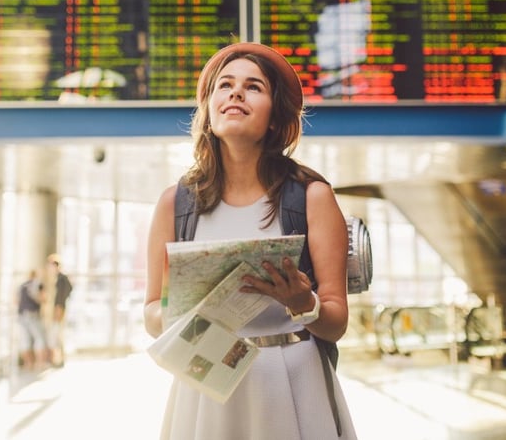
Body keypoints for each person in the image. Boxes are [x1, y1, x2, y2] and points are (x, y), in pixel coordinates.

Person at [144, 42, 358, 439]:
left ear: (275, 120)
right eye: (224, 85)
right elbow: (153, 313)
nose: (236, 93)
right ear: (209, 112)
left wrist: (304, 304)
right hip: (207, 382)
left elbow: (336, 322)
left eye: (253, 87)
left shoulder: (311, 197)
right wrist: (181, 314)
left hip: (293, 381)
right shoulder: (176, 203)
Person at [46, 253, 73, 367]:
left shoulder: (62, 278)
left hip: (59, 310)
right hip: (57, 309)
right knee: (55, 335)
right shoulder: (57, 278)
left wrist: (59, 308)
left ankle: (59, 359)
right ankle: (58, 359)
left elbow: (65, 293)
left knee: (57, 335)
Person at [17, 269, 47, 369]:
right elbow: (43, 299)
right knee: (40, 338)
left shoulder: (21, 286)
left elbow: (16, 301)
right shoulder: (38, 284)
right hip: (33, 315)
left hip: (22, 316)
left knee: (25, 340)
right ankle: (40, 363)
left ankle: (28, 364)